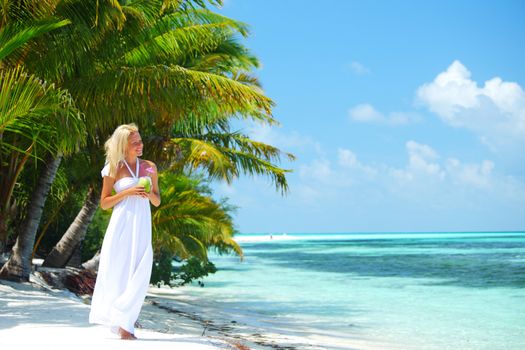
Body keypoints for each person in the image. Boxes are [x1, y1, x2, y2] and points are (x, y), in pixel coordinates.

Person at [89, 123, 161, 340]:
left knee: (141, 271)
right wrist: (127, 191)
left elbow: (157, 200)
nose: (140, 145)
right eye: (135, 142)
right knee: (119, 273)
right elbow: (104, 203)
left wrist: (147, 194)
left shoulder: (150, 167)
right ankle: (125, 327)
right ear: (124, 145)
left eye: (140, 140)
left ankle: (124, 321)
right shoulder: (113, 167)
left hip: (142, 226)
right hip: (121, 226)